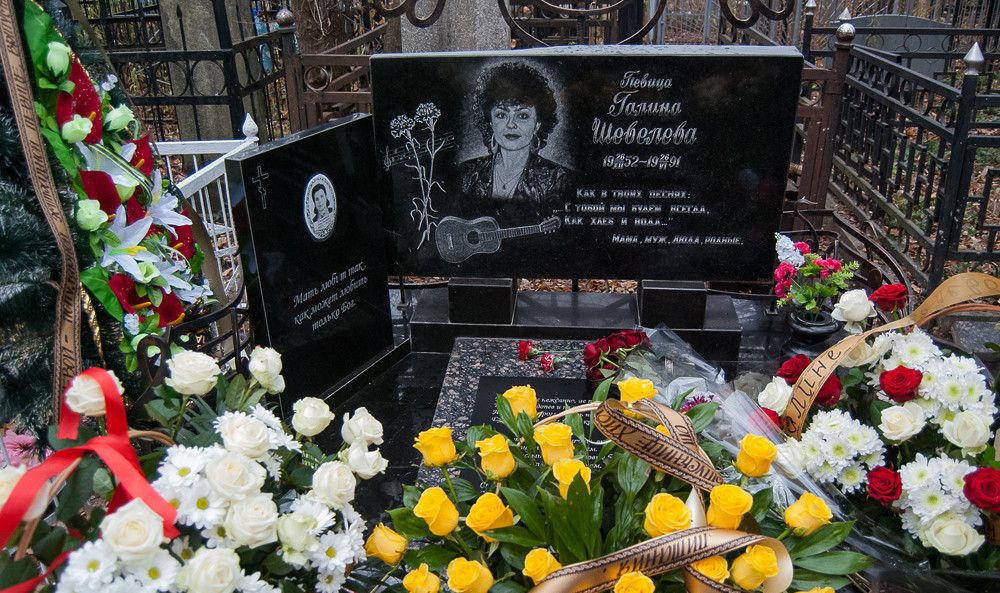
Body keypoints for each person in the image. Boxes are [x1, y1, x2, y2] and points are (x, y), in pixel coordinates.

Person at [459, 61, 571, 224]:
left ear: (537, 124)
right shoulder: (467, 174)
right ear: (490, 122)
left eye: (522, 116)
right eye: (501, 115)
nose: (511, 124)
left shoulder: (558, 179)